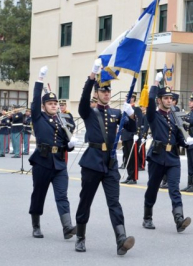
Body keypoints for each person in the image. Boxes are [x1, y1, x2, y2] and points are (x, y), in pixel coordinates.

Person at [74, 59, 136, 255]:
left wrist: (132, 115)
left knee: (114, 202)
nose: (107, 94)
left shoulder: (116, 113)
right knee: (86, 200)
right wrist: (91, 77)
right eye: (103, 91)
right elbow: (83, 99)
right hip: (92, 162)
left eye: (108, 91)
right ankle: (81, 237)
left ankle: (121, 239)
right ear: (96, 93)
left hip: (110, 163)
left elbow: (132, 129)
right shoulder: (89, 112)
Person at [28, 66, 80, 240]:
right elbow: (35, 100)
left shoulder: (62, 120)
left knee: (62, 196)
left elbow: (66, 144)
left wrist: (71, 144)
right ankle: (36, 225)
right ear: (44, 106)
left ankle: (67, 227)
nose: (54, 106)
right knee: (39, 194)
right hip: (42, 161)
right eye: (50, 104)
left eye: (55, 103)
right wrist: (39, 80)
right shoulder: (38, 116)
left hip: (58, 163)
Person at [142, 72, 193, 232]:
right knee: (153, 187)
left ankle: (179, 219)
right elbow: (150, 102)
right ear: (160, 100)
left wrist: (186, 142)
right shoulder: (154, 115)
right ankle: (147, 217)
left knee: (174, 188)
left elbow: (178, 137)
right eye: (165, 98)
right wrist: (155, 84)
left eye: (170, 98)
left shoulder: (174, 117)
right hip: (158, 156)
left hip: (172, 157)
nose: (169, 101)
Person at [121, 94, 139, 184]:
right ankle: (129, 176)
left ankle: (134, 177)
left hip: (132, 136)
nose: (128, 99)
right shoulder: (124, 110)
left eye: (131, 97)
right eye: (127, 97)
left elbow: (138, 122)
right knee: (127, 157)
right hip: (125, 136)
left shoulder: (136, 109)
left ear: (133, 99)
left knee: (133, 158)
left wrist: (138, 133)